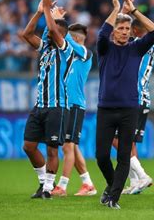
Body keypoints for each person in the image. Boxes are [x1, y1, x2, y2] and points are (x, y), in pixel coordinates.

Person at [20, 0, 87, 199]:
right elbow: (26, 34)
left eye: (54, 31)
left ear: (62, 33)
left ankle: (48, 188)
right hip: (40, 104)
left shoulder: (66, 49)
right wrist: (40, 12)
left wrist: (49, 11)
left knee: (52, 150)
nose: (49, 33)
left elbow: (52, 28)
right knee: (29, 146)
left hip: (58, 105)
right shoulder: (46, 48)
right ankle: (43, 183)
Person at [96, 0, 154, 209]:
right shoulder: (104, 49)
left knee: (124, 155)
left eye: (127, 29)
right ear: (114, 31)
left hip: (129, 109)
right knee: (101, 156)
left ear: (131, 32)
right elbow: (101, 35)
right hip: (105, 109)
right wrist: (115, 9)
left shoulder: (136, 49)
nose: (123, 31)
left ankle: (114, 198)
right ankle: (112, 184)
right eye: (120, 28)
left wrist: (133, 11)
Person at [46, 11, 96, 197]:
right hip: (66, 104)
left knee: (67, 146)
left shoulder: (85, 53)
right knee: (72, 146)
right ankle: (88, 184)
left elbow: (62, 36)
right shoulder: (67, 56)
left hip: (75, 105)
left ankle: (62, 186)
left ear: (74, 38)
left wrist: (58, 22)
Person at [115, 18, 154, 195]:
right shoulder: (151, 46)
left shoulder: (140, 44)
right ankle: (135, 183)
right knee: (129, 142)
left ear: (135, 30)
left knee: (116, 139)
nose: (126, 32)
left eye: (129, 29)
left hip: (134, 98)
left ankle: (142, 176)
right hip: (143, 97)